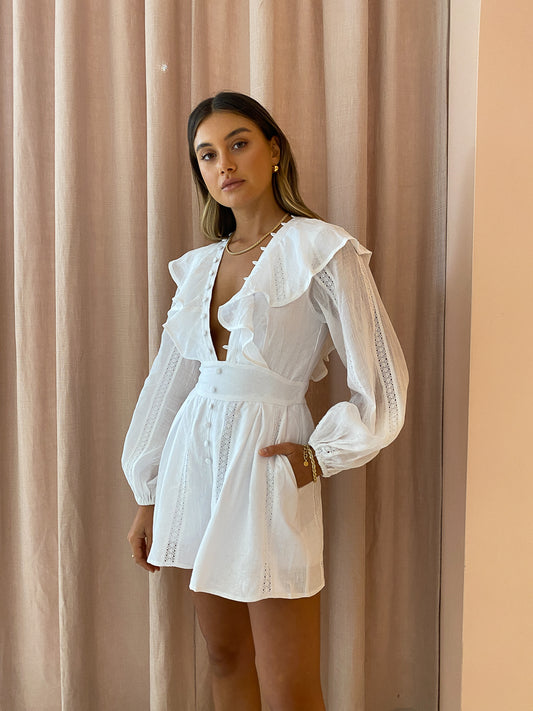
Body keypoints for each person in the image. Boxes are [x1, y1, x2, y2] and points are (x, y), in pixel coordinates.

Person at [122, 91, 408, 710]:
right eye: (206, 155)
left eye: (239, 144)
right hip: (196, 464)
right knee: (224, 658)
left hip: (269, 464)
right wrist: (149, 493)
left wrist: (320, 456)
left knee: (289, 684)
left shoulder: (320, 250)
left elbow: (380, 378)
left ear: (274, 150)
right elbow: (168, 383)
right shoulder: (197, 268)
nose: (223, 164)